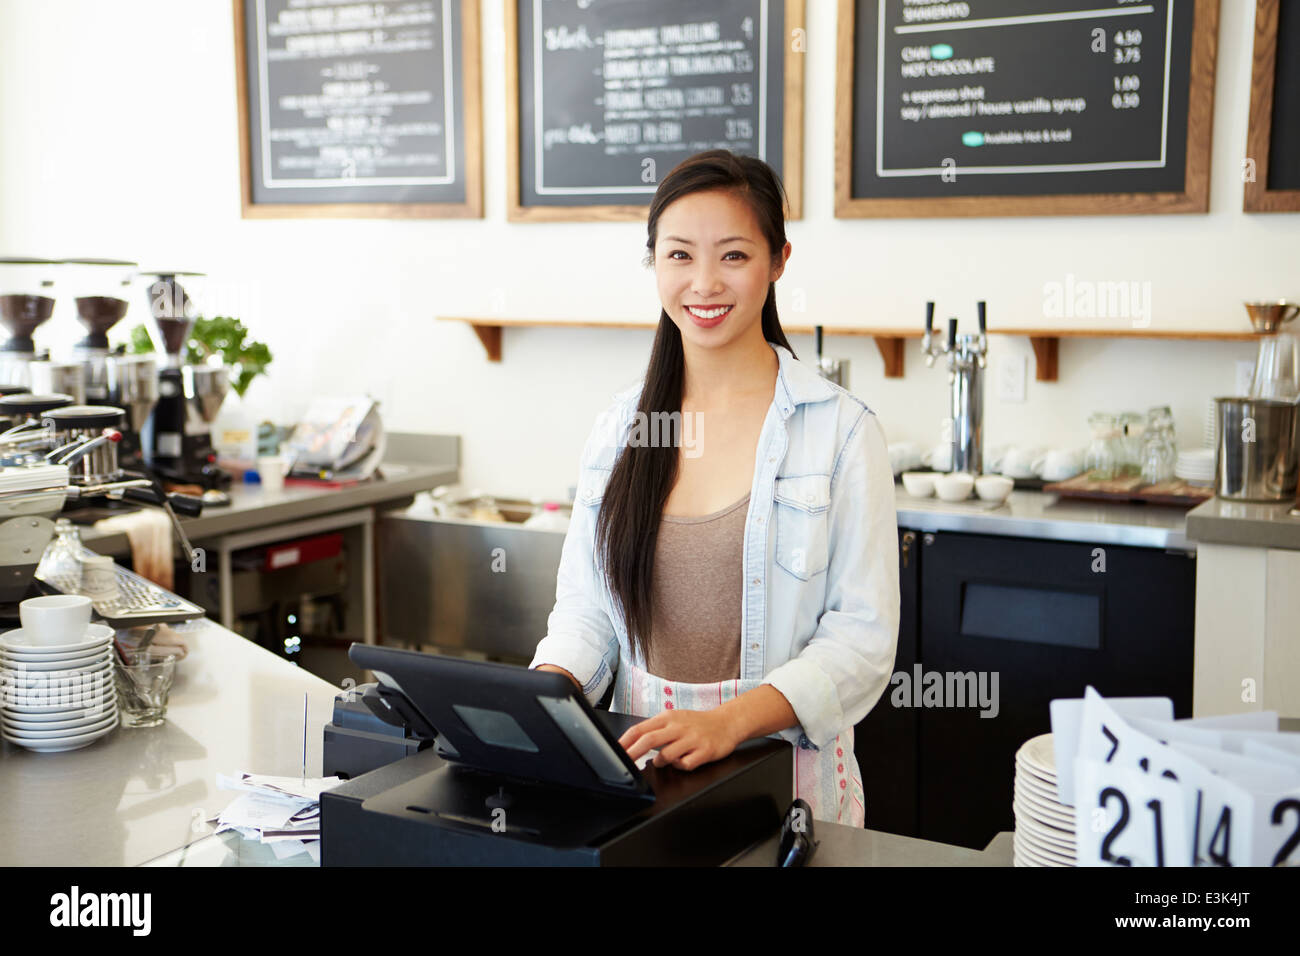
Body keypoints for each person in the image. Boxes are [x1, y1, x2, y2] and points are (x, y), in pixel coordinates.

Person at [530, 149, 899, 825]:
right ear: (654, 264)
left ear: (779, 260)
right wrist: (544, 696)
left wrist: (730, 722)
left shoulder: (841, 433)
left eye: (733, 255)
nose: (704, 283)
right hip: (646, 782)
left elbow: (862, 640)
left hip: (787, 786)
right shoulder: (625, 429)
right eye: (678, 256)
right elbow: (588, 608)